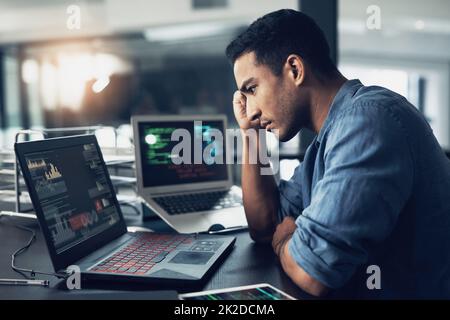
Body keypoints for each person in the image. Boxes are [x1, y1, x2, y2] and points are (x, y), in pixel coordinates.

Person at [225, 9, 450, 299]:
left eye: (252, 89)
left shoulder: (368, 121)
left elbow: (314, 271)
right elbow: (267, 224)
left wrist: (285, 243)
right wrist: (250, 133)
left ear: (295, 69)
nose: (251, 110)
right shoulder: (328, 141)